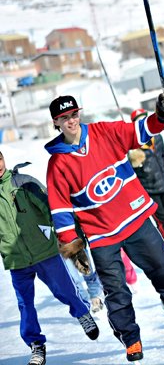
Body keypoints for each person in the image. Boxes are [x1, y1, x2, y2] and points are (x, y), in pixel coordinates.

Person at [45, 93, 164, 362]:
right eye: (64, 118)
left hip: (134, 216)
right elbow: (60, 208)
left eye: (74, 115)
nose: (71, 121)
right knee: (116, 290)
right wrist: (72, 245)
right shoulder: (57, 163)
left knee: (163, 266)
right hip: (101, 235)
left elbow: (141, 131)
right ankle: (131, 338)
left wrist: (161, 115)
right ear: (56, 122)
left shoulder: (104, 131)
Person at [1, 151, 99, 365]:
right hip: (16, 259)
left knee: (64, 290)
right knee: (24, 304)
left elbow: (50, 208)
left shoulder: (23, 182)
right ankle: (36, 345)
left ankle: (82, 313)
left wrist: (63, 235)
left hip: (44, 251)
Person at [128, 109, 164, 266]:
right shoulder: (133, 146)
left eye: (144, 119)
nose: (142, 123)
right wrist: (132, 160)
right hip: (149, 190)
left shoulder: (157, 137)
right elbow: (128, 171)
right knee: (162, 222)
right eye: (138, 121)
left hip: (163, 185)